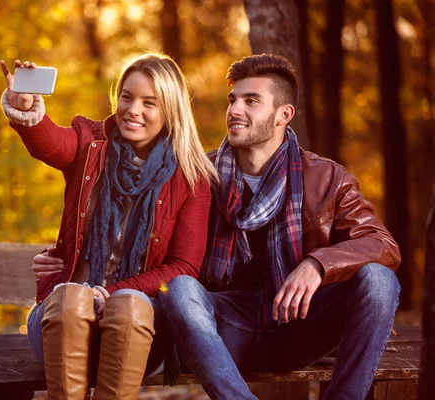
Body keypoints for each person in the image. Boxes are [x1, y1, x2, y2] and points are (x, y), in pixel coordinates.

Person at [159, 54, 401, 400]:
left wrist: (319, 264)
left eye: (251, 101)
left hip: (299, 326)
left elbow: (383, 244)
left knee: (379, 280)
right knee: (178, 288)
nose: (235, 110)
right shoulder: (200, 174)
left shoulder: (328, 178)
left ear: (283, 115)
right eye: (233, 100)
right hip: (223, 329)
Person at [0, 52, 217, 399]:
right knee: (72, 297)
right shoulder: (90, 144)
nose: (133, 110)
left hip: (138, 329)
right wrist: (25, 108)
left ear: (171, 110)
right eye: (127, 97)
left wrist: (109, 293)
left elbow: (184, 267)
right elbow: (52, 144)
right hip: (64, 323)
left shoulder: (191, 178)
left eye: (150, 102)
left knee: (129, 303)